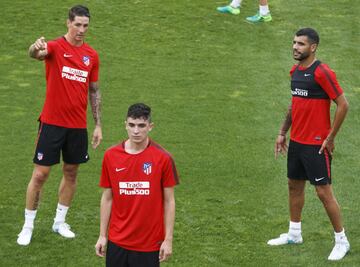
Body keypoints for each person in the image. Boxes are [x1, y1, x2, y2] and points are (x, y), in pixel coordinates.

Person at [17, 5, 102, 246]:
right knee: (40, 174)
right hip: (52, 123)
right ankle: (28, 225)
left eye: (85, 26)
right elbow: (35, 54)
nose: (81, 30)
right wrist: (34, 48)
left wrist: (97, 125)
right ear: (68, 23)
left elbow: (94, 91)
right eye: (77, 25)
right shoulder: (54, 47)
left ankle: (59, 222)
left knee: (71, 172)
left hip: (77, 127)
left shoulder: (91, 56)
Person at [268, 28, 350, 261]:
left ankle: (342, 240)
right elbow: (295, 104)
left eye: (301, 44)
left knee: (324, 192)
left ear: (313, 47)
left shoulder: (322, 72)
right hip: (297, 143)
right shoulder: (295, 71)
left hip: (317, 145)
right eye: (294, 42)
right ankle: (294, 233)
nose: (295, 47)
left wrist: (330, 137)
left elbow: (343, 105)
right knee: (294, 186)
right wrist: (283, 132)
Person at [95, 103, 179, 267]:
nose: (136, 131)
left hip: (148, 244)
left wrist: (168, 240)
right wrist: (102, 235)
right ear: (125, 124)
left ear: (150, 126)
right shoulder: (111, 156)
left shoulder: (163, 158)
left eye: (141, 126)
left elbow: (169, 201)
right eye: (132, 125)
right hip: (117, 241)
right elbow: (107, 198)